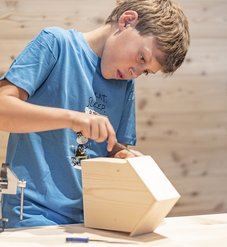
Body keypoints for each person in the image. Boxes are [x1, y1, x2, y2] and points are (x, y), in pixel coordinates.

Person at [0, 0, 189, 228]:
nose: (135, 73)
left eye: (145, 72)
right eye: (141, 59)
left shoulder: (125, 84)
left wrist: (122, 156)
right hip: (29, 214)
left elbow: (109, 146)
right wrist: (73, 118)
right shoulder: (56, 44)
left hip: (90, 219)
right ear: (126, 21)